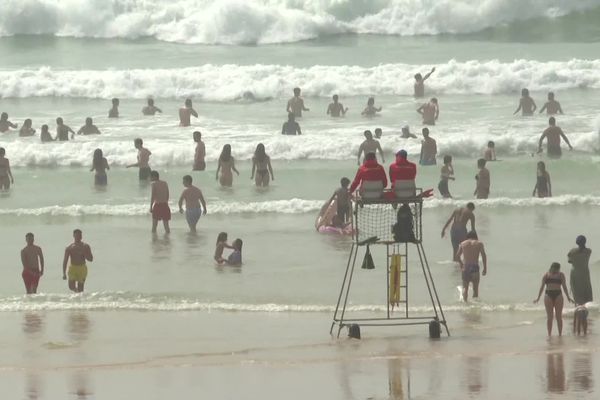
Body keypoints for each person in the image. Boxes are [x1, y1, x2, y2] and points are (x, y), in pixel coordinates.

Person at [533, 262, 573, 336]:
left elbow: (564, 286)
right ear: (551, 267)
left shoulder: (561, 275)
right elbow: (542, 287)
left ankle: (560, 334)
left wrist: (568, 297)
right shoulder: (546, 275)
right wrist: (538, 298)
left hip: (558, 295)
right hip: (548, 295)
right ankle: (549, 334)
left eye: (557, 268)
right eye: (554, 268)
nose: (555, 270)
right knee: (550, 317)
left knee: (559, 317)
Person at [456, 230, 487, 302]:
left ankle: (465, 305)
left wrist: (461, 264)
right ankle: (475, 307)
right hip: (475, 267)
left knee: (465, 288)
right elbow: (483, 256)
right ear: (476, 236)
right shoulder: (479, 243)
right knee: (475, 290)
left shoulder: (463, 244)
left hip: (466, 267)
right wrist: (485, 268)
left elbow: (457, 256)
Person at [62, 229, 94, 293]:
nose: (78, 237)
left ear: (81, 237)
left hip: (82, 268)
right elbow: (65, 261)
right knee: (71, 286)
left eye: (79, 236)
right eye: (77, 236)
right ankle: (76, 293)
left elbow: (91, 259)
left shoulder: (85, 246)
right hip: (73, 268)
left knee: (80, 288)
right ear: (73, 236)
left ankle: (79, 300)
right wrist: (64, 273)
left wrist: (85, 254)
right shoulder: (69, 248)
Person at [568, 235, 593, 305]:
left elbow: (570, 261)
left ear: (577, 242)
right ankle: (587, 309)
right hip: (585, 272)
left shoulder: (572, 251)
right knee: (587, 290)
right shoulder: (589, 251)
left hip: (575, 272)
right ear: (585, 241)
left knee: (576, 292)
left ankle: (578, 309)